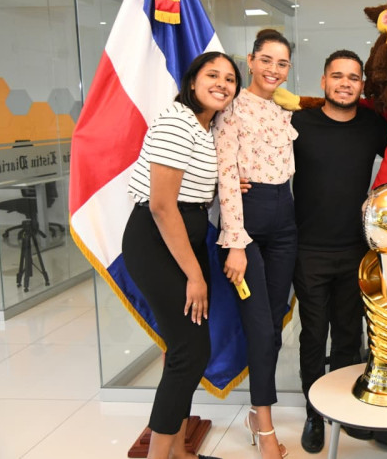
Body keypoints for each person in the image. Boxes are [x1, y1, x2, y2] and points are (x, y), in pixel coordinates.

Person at [122, 51, 241, 459]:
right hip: (157, 242)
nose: (222, 83)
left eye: (230, 78)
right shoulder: (177, 121)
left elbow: (191, 189)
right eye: (213, 75)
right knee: (190, 352)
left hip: (181, 241)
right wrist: (195, 275)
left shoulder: (202, 128)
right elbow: (161, 205)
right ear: (192, 81)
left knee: (186, 352)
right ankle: (162, 456)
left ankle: (178, 453)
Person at [290, 50, 387, 453]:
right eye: (337, 76)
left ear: (362, 85)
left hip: (355, 248)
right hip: (308, 247)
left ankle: (343, 405)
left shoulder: (373, 126)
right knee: (314, 333)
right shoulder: (298, 123)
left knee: (348, 333)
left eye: (353, 77)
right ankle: (315, 412)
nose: (345, 83)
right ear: (323, 82)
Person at [213, 29, 297, 459]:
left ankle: (256, 409)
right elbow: (227, 175)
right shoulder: (230, 109)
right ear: (250, 60)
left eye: (282, 63)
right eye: (267, 60)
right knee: (261, 328)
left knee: (277, 318)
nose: (274, 70)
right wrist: (236, 243)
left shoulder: (283, 108)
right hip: (248, 226)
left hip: (286, 220)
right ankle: (263, 424)